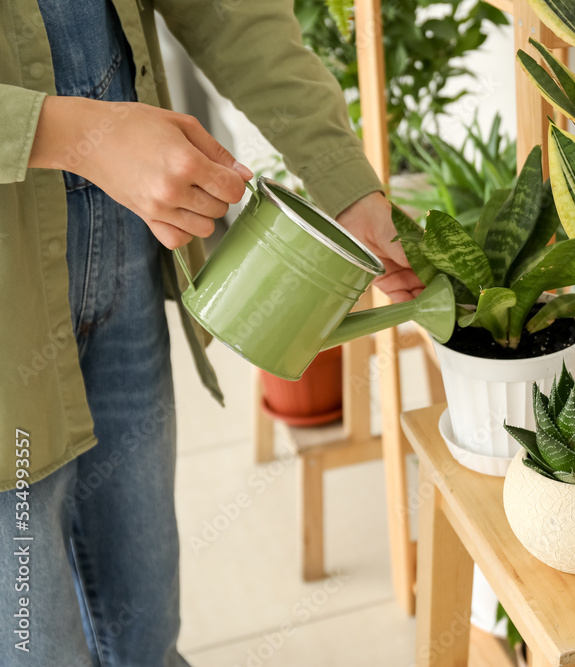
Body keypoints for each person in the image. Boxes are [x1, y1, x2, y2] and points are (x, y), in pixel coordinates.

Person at [0, 0, 421, 663]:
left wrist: (345, 184)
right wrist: (70, 131)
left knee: (147, 632)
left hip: (125, 250)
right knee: (35, 645)